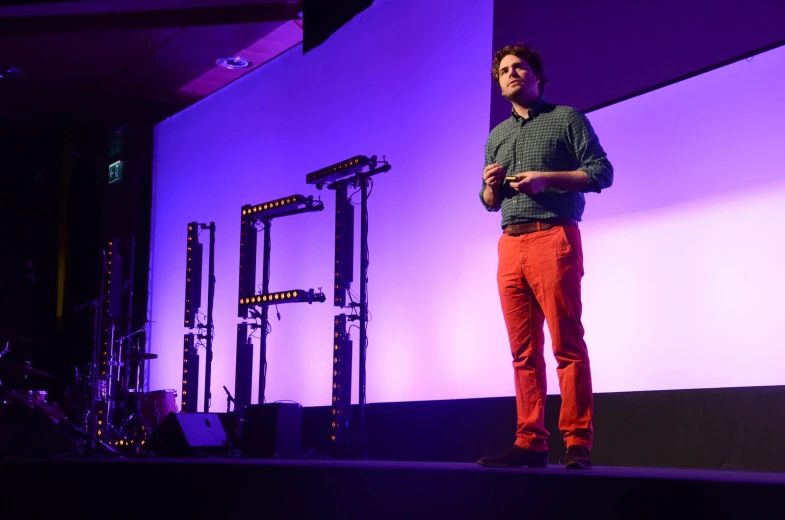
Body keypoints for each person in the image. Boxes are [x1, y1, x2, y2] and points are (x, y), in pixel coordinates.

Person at [476, 43, 613, 470]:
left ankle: (576, 443)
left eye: (520, 67)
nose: (512, 73)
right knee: (523, 352)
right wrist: (490, 186)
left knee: (567, 345)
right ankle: (530, 441)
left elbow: (601, 173)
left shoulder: (566, 118)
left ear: (537, 75)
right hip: (510, 243)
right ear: (499, 85)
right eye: (504, 71)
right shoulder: (496, 136)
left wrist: (545, 180)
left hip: (553, 236)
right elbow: (487, 203)